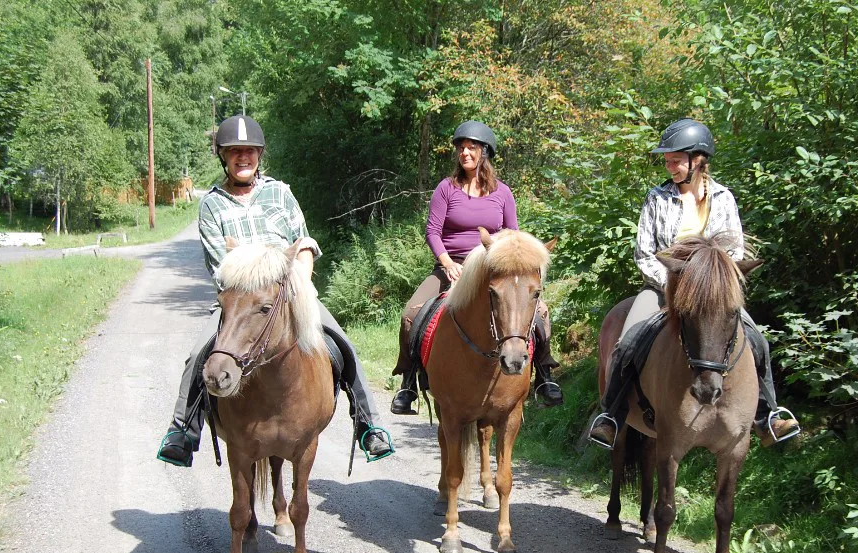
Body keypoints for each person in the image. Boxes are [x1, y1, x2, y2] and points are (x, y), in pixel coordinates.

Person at [157, 114, 393, 466]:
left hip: (289, 291)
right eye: (235, 152)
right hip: (240, 299)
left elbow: (304, 243)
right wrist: (262, 270)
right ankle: (183, 429)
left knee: (340, 342)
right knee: (199, 354)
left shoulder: (280, 193)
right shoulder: (212, 204)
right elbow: (221, 265)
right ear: (224, 156)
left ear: (259, 155)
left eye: (249, 152)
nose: (243, 158)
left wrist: (300, 281)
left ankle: (368, 424)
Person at [588, 118, 800, 449]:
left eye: (676, 159)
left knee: (758, 340)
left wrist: (708, 288)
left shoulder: (724, 198)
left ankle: (768, 415)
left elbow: (733, 253)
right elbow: (645, 254)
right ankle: (611, 416)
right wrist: (676, 286)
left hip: (712, 297)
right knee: (627, 342)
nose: (669, 165)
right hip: (661, 292)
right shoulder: (656, 198)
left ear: (697, 159)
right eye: (667, 160)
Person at [389, 120, 563, 415]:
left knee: (541, 312)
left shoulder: (503, 193)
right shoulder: (446, 189)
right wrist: (446, 263)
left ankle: (544, 376)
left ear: (485, 152)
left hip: (491, 271)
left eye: (471, 147)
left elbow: (513, 236)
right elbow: (433, 231)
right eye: (461, 147)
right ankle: (408, 384)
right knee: (411, 313)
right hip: (452, 268)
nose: (465, 153)